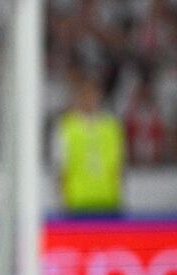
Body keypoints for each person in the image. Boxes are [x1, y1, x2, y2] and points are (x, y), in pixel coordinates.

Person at [53, 75, 125, 216]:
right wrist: (63, 200)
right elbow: (61, 167)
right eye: (85, 94)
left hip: (108, 200)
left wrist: (119, 196)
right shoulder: (66, 127)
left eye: (93, 94)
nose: (89, 99)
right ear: (78, 97)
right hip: (78, 201)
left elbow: (118, 166)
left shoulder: (111, 127)